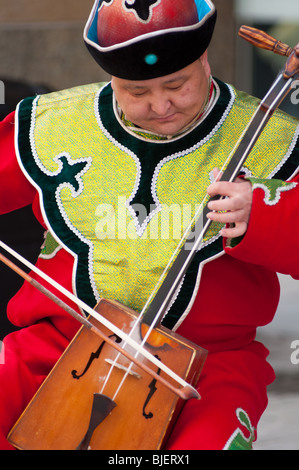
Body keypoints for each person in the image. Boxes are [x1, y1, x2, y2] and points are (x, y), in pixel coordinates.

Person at [0, 0, 298, 450]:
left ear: (203, 60)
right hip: (60, 342)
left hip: (210, 366)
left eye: (177, 85)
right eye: (136, 93)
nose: (161, 106)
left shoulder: (274, 137)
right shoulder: (51, 124)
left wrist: (264, 214)